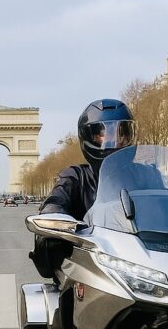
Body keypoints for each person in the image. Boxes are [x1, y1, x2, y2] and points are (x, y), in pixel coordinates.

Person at [30, 98, 136, 279]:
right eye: (103, 134)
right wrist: (54, 216)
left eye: (121, 132)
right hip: (90, 265)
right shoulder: (74, 177)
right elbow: (55, 202)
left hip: (137, 260)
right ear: (90, 138)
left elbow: (167, 205)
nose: (114, 140)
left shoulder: (146, 175)